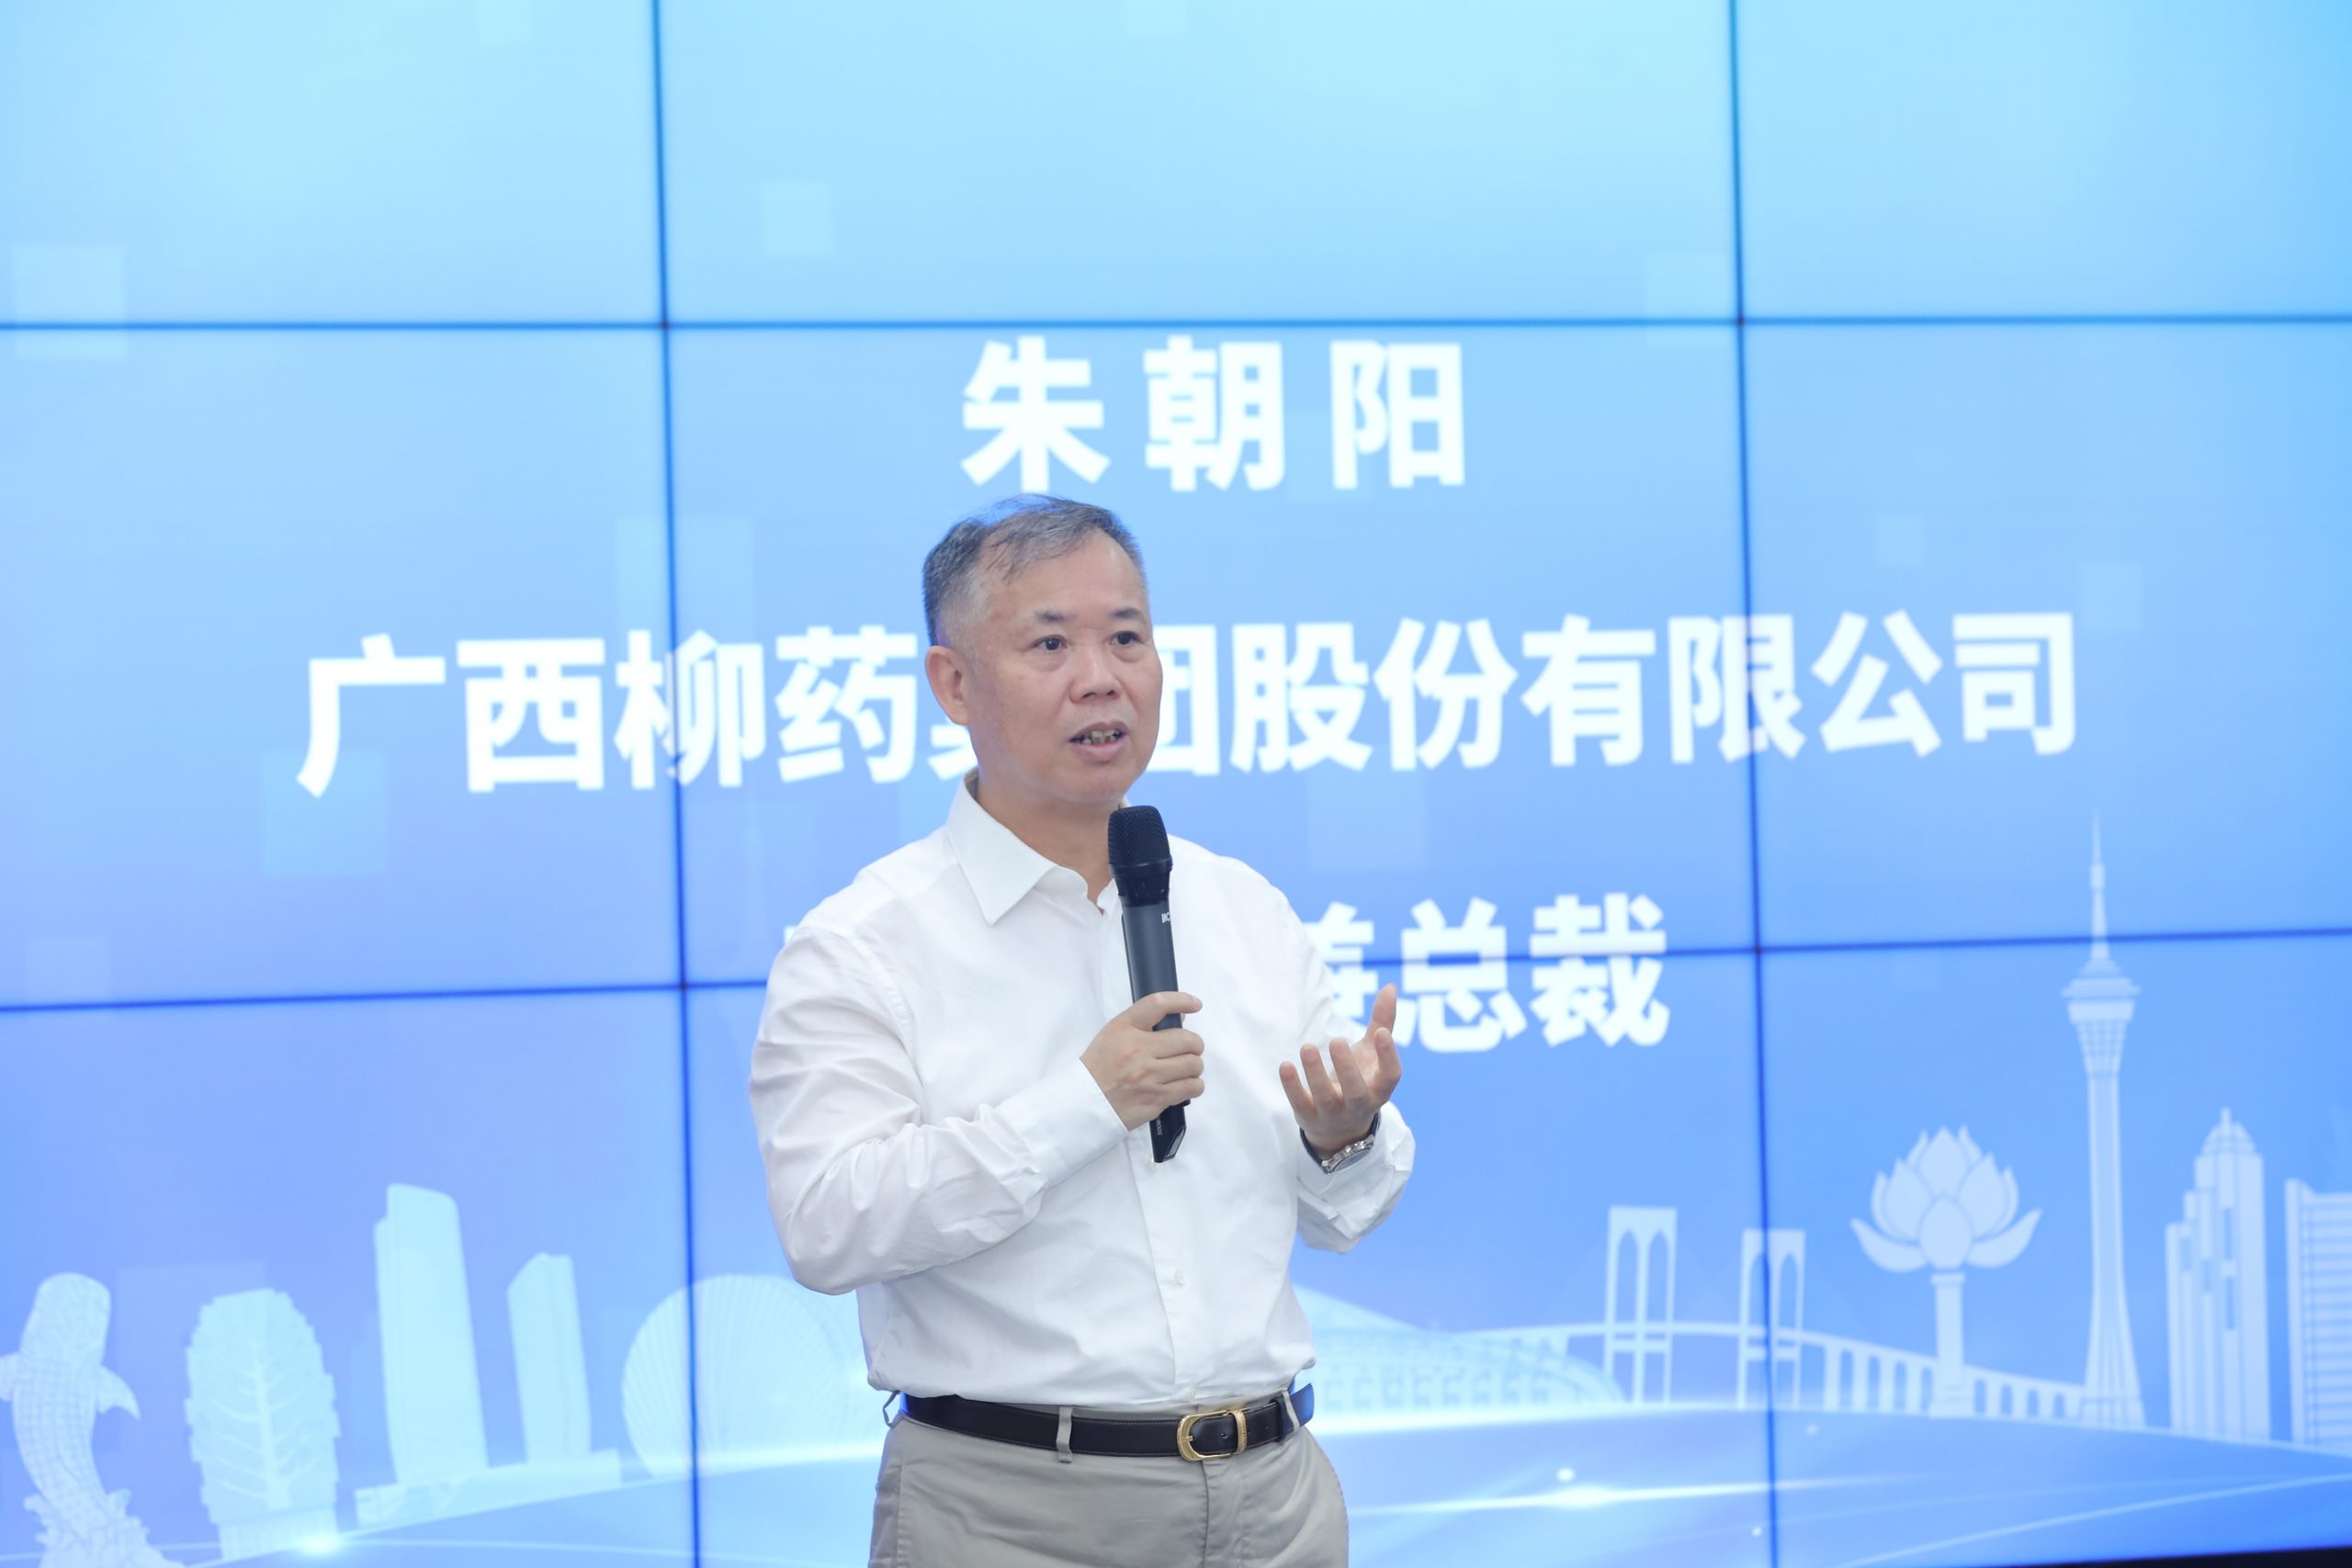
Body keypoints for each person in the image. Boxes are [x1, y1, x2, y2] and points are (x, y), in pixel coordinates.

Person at [750, 494, 1413, 1568]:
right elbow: (828, 1226)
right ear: (952, 684)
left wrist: (1342, 1137)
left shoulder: (1243, 910)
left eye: (1126, 638)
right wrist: (1081, 1105)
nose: (1101, 678)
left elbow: (1346, 1215)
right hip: (1012, 1514)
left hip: (1275, 1500)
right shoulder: (864, 946)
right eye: (1050, 644)